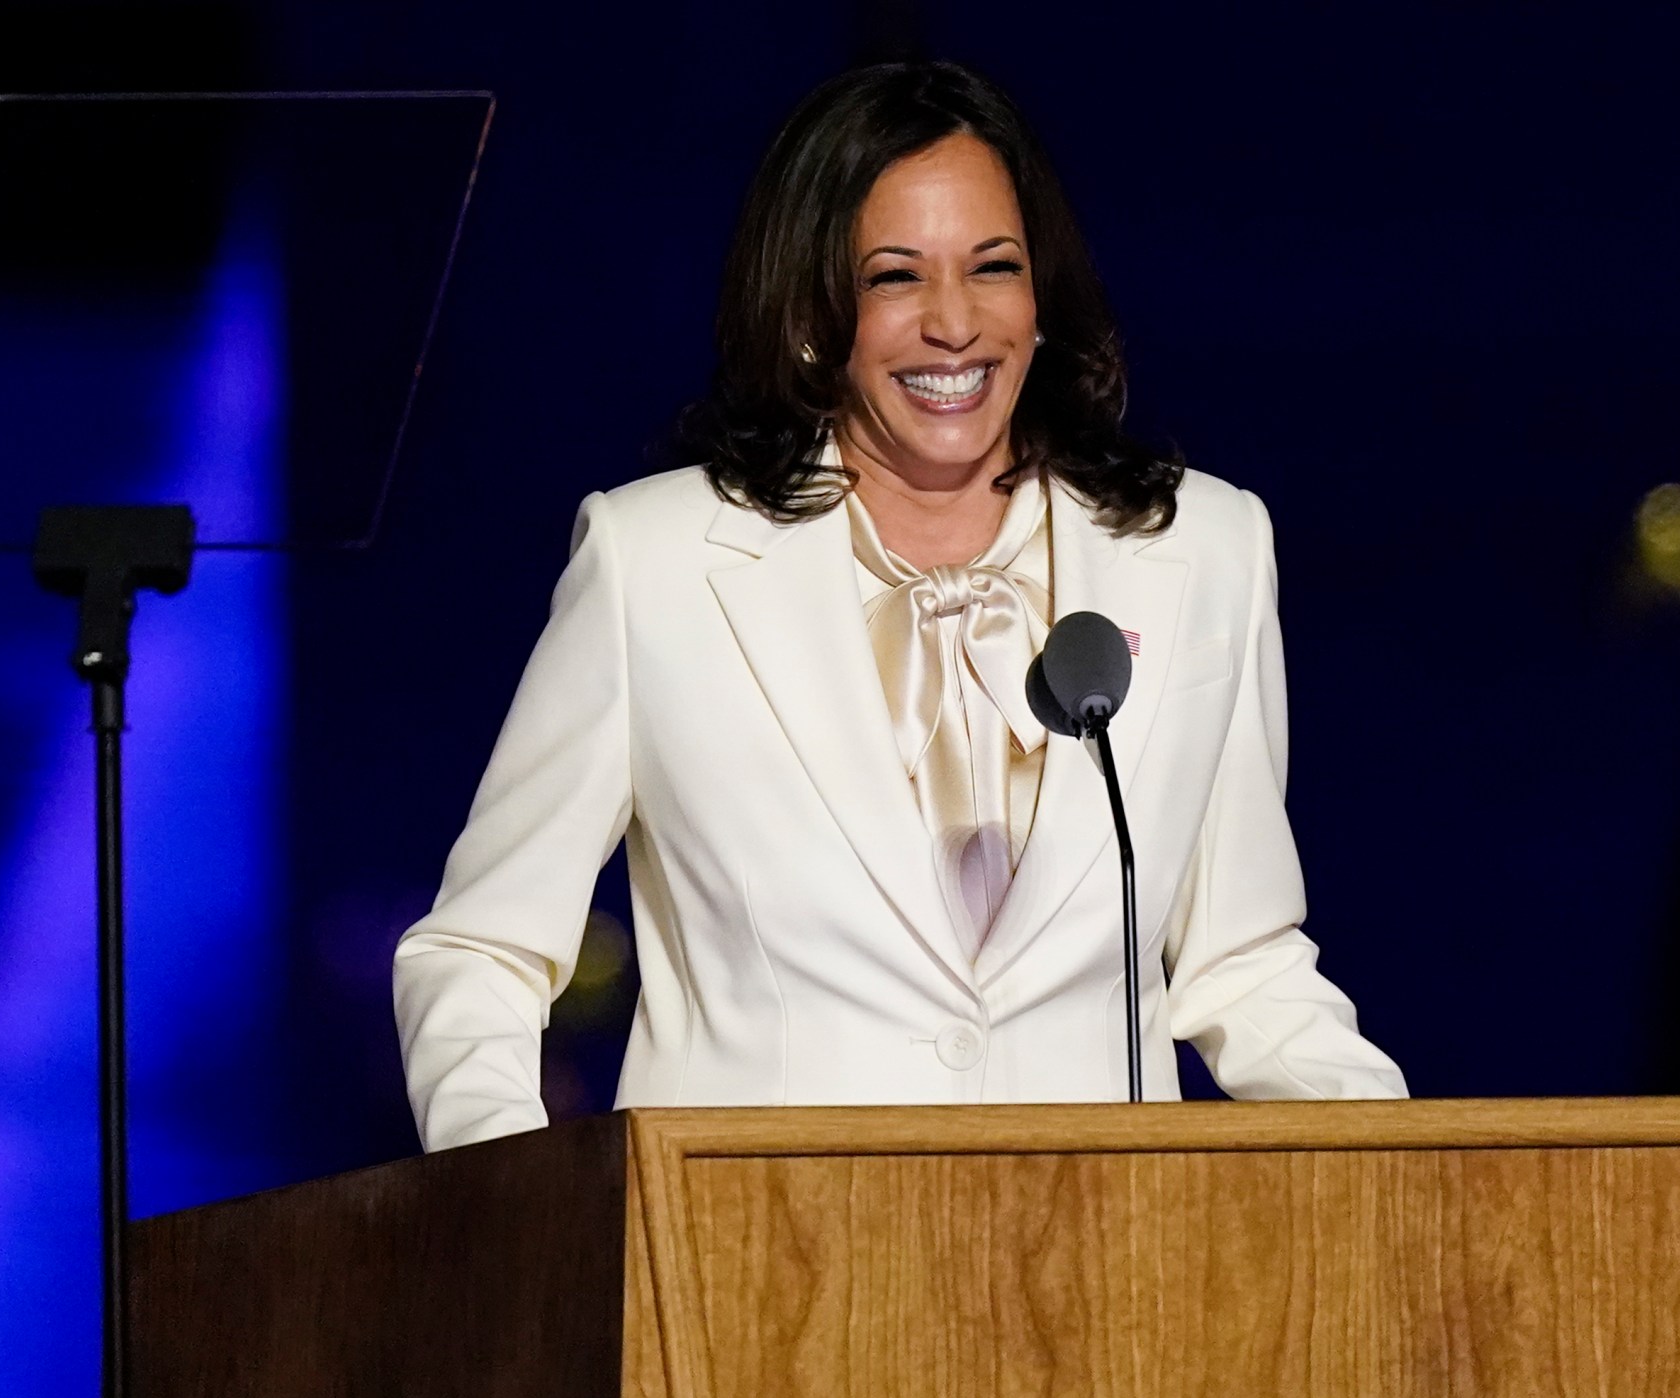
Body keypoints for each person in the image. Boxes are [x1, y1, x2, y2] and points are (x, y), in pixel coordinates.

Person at [393, 60, 1404, 1151]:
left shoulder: (1203, 549)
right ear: (812, 315)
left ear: (1040, 294)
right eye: (894, 278)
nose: (954, 324)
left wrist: (1418, 1181)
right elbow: (480, 951)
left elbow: (1243, 962)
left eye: (993, 267)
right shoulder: (657, 563)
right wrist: (515, 1209)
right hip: (755, 1270)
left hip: (1110, 1271)